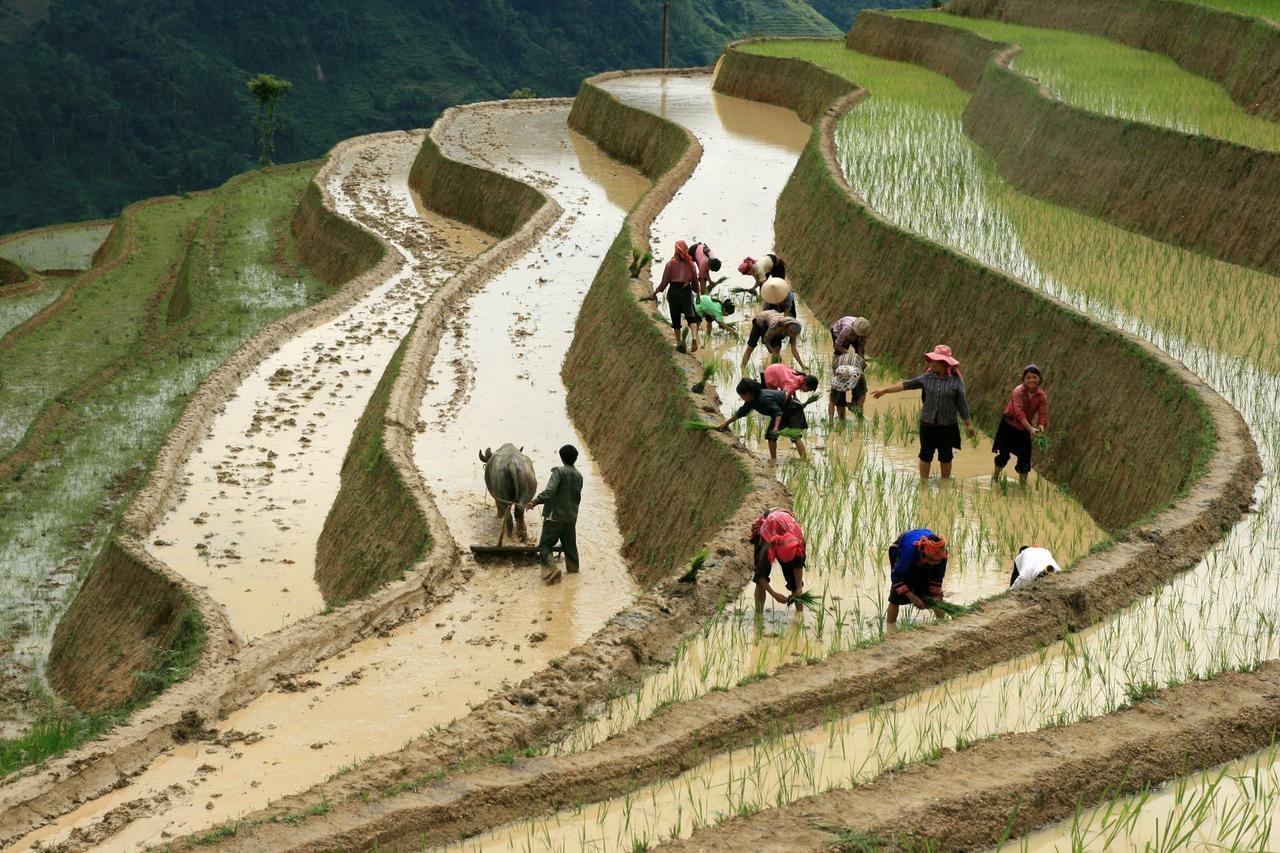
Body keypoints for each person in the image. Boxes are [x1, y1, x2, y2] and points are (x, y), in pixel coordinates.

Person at [871, 344, 976, 480]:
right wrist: (884, 390)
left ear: (944, 363)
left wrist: (968, 424)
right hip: (927, 423)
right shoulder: (927, 378)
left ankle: (945, 483)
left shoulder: (956, 382)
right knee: (925, 454)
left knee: (946, 456)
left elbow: (962, 404)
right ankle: (924, 483)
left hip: (947, 425)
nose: (931, 363)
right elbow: (906, 385)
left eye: (934, 360)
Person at [525, 444, 583, 584]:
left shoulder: (559, 472)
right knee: (570, 549)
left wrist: (535, 501)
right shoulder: (579, 476)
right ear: (574, 459)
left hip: (555, 517)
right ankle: (574, 575)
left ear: (561, 458)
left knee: (544, 546)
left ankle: (552, 570)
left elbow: (550, 492)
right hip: (570, 518)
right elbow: (576, 498)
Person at [718, 378, 808, 461]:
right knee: (771, 436)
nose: (741, 398)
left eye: (742, 395)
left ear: (748, 393)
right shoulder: (751, 401)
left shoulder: (763, 398)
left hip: (793, 408)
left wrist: (776, 428)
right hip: (782, 410)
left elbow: (778, 413)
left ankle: (805, 461)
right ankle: (773, 459)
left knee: (795, 436)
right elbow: (740, 413)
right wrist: (726, 423)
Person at [992, 364, 1049, 485]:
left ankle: (1022, 487)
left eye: (1034, 377)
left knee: (1025, 458)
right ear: (1023, 379)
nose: (1031, 380)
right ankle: (995, 478)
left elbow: (1043, 414)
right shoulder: (1017, 391)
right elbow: (1019, 412)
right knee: (1003, 455)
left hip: (1024, 428)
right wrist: (1030, 429)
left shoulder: (1042, 396)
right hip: (1008, 426)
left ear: (1040, 379)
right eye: (1028, 377)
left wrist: (1041, 428)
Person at [886, 528, 948, 626]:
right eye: (932, 561)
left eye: (937, 562)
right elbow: (896, 577)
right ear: (923, 555)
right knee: (895, 597)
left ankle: (942, 623)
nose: (933, 564)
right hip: (901, 549)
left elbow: (937, 577)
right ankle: (890, 628)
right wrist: (912, 597)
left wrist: (935, 595)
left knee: (936, 596)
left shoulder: (941, 553)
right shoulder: (909, 554)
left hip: (926, 555)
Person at [749, 508, 806, 611]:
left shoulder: (799, 544)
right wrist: (774, 594)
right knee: (762, 575)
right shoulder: (767, 545)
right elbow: (760, 576)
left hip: (786, 521)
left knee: (794, 583)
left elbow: (798, 566)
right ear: (775, 551)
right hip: (768, 524)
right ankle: (758, 617)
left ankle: (799, 617)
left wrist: (798, 588)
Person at [653, 240, 701, 353]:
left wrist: (654, 293)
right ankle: (694, 338)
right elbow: (695, 281)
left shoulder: (670, 264)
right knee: (691, 317)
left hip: (674, 292)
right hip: (686, 292)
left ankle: (679, 342)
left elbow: (663, 284)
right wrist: (698, 293)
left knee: (676, 319)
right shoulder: (691, 264)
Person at [741, 309, 808, 372]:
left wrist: (802, 366)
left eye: (794, 334)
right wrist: (772, 351)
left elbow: (794, 350)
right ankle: (742, 367)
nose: (793, 336)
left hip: (774, 323)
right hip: (761, 321)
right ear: (787, 328)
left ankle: (773, 372)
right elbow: (766, 340)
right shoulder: (776, 326)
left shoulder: (792, 331)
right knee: (750, 347)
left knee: (777, 351)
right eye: (792, 333)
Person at [829, 352, 867, 421]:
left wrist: (857, 407)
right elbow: (832, 402)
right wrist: (830, 422)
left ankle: (860, 422)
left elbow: (863, 394)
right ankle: (842, 421)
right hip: (838, 365)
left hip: (856, 365)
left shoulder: (859, 376)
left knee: (858, 400)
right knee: (839, 401)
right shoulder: (837, 377)